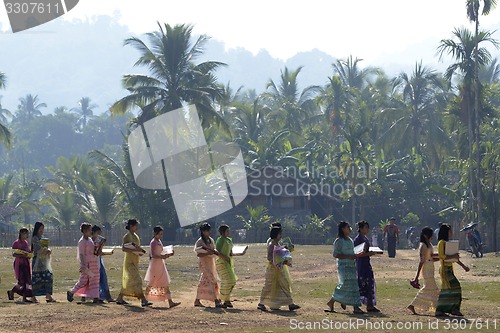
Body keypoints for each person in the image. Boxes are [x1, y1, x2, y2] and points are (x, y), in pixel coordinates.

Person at [257, 226, 300, 312]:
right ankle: (261, 304)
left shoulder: (278, 244)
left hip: (279, 268)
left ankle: (290, 303)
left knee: (285, 284)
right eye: (279, 234)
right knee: (269, 286)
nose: (281, 235)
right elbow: (269, 257)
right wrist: (278, 260)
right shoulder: (272, 244)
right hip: (272, 269)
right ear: (275, 234)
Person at [325, 221, 364, 314]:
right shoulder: (339, 241)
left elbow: (352, 251)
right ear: (343, 229)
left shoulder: (350, 240)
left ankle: (355, 307)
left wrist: (357, 254)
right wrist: (347, 257)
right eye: (347, 227)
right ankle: (333, 301)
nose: (349, 229)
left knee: (354, 286)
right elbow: (335, 254)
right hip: (344, 267)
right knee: (344, 285)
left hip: (351, 266)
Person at [435, 223, 469, 317]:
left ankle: (453, 309)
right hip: (445, 270)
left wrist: (464, 266)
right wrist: (454, 256)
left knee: (453, 288)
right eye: (450, 230)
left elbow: (454, 258)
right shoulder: (441, 242)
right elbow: (442, 257)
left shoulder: (448, 243)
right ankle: (441, 310)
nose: (451, 232)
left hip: (450, 269)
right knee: (450, 289)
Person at [115, 219, 152, 307]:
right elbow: (124, 248)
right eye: (135, 226)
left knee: (129, 281)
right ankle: (143, 300)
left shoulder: (135, 236)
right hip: (129, 261)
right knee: (137, 280)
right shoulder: (127, 236)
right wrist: (134, 250)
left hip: (135, 260)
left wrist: (139, 252)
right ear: (131, 226)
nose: (136, 228)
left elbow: (137, 247)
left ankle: (120, 298)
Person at [144, 226, 180, 308]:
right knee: (151, 282)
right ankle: (144, 299)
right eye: (159, 234)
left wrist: (169, 253)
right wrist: (162, 256)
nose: (160, 236)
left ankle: (170, 301)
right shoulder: (153, 242)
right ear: (155, 234)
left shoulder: (158, 241)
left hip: (160, 263)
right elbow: (153, 254)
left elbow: (161, 251)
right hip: (155, 264)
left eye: (161, 234)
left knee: (165, 282)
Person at [407, 227, 440, 315]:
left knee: (431, 288)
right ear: (426, 235)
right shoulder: (424, 246)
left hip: (430, 267)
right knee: (432, 288)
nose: (432, 237)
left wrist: (441, 257)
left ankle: (414, 305)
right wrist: (417, 276)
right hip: (426, 269)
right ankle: (437, 308)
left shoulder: (429, 244)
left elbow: (432, 257)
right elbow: (422, 261)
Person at [67, 223, 101, 304]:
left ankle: (95, 297)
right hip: (86, 263)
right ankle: (71, 292)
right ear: (85, 231)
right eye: (89, 230)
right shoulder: (82, 241)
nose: (91, 232)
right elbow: (81, 254)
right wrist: (83, 264)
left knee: (95, 279)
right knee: (83, 280)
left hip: (93, 262)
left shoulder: (90, 240)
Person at [194, 222, 225, 308]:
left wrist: (214, 252)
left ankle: (197, 300)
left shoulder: (210, 240)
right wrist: (207, 253)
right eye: (208, 231)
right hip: (204, 263)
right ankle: (216, 300)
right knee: (211, 280)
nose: (209, 232)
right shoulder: (200, 241)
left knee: (205, 281)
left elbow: (213, 249)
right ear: (203, 231)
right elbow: (198, 254)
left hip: (211, 262)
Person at [353, 221, 379, 312]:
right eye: (365, 228)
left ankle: (370, 305)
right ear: (360, 228)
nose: (367, 229)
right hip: (361, 264)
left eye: (368, 228)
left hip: (367, 263)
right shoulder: (358, 239)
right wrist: (369, 253)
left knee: (370, 283)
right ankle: (357, 305)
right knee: (362, 283)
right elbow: (357, 253)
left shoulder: (365, 238)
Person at [31, 221, 56, 303]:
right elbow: (38, 248)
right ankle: (33, 296)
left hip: (44, 261)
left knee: (48, 276)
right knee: (36, 278)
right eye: (40, 228)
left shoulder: (43, 238)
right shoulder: (35, 238)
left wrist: (48, 251)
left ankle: (48, 295)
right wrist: (45, 251)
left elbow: (45, 247)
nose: (42, 230)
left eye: (43, 228)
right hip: (37, 262)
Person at [8, 228, 34, 303]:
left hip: (26, 264)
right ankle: (12, 291)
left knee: (27, 281)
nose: (26, 235)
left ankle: (24, 298)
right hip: (19, 264)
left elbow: (28, 252)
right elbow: (14, 254)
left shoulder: (26, 243)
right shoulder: (16, 243)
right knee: (21, 282)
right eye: (25, 233)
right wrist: (22, 254)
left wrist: (29, 254)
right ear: (21, 234)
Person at [215, 224, 238, 308]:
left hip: (228, 262)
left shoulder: (229, 240)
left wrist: (241, 252)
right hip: (221, 262)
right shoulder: (220, 240)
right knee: (228, 281)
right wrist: (224, 257)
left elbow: (231, 252)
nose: (229, 232)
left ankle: (227, 300)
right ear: (222, 232)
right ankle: (221, 299)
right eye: (227, 231)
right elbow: (216, 252)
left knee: (232, 281)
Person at [91, 225, 115, 303]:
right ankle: (95, 296)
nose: (99, 235)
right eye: (98, 233)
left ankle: (106, 296)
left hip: (99, 260)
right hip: (92, 262)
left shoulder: (99, 240)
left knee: (103, 278)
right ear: (93, 233)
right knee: (93, 280)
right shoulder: (89, 241)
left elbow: (99, 252)